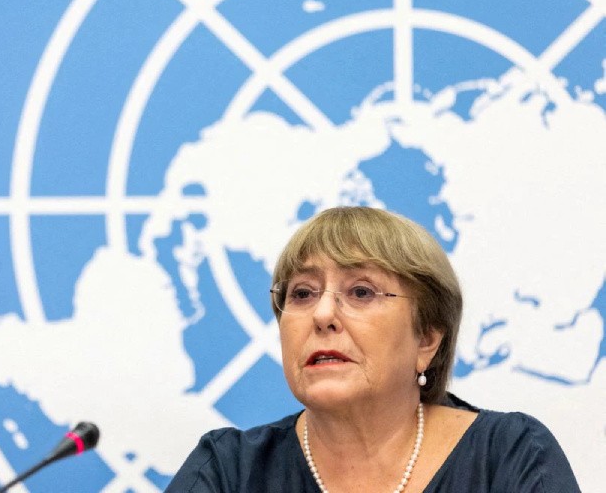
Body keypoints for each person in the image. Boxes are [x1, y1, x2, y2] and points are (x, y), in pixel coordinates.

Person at [167, 206, 580, 492]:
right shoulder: (229, 470)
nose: (323, 314)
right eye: (303, 293)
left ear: (427, 339)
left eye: (361, 292)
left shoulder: (509, 456)